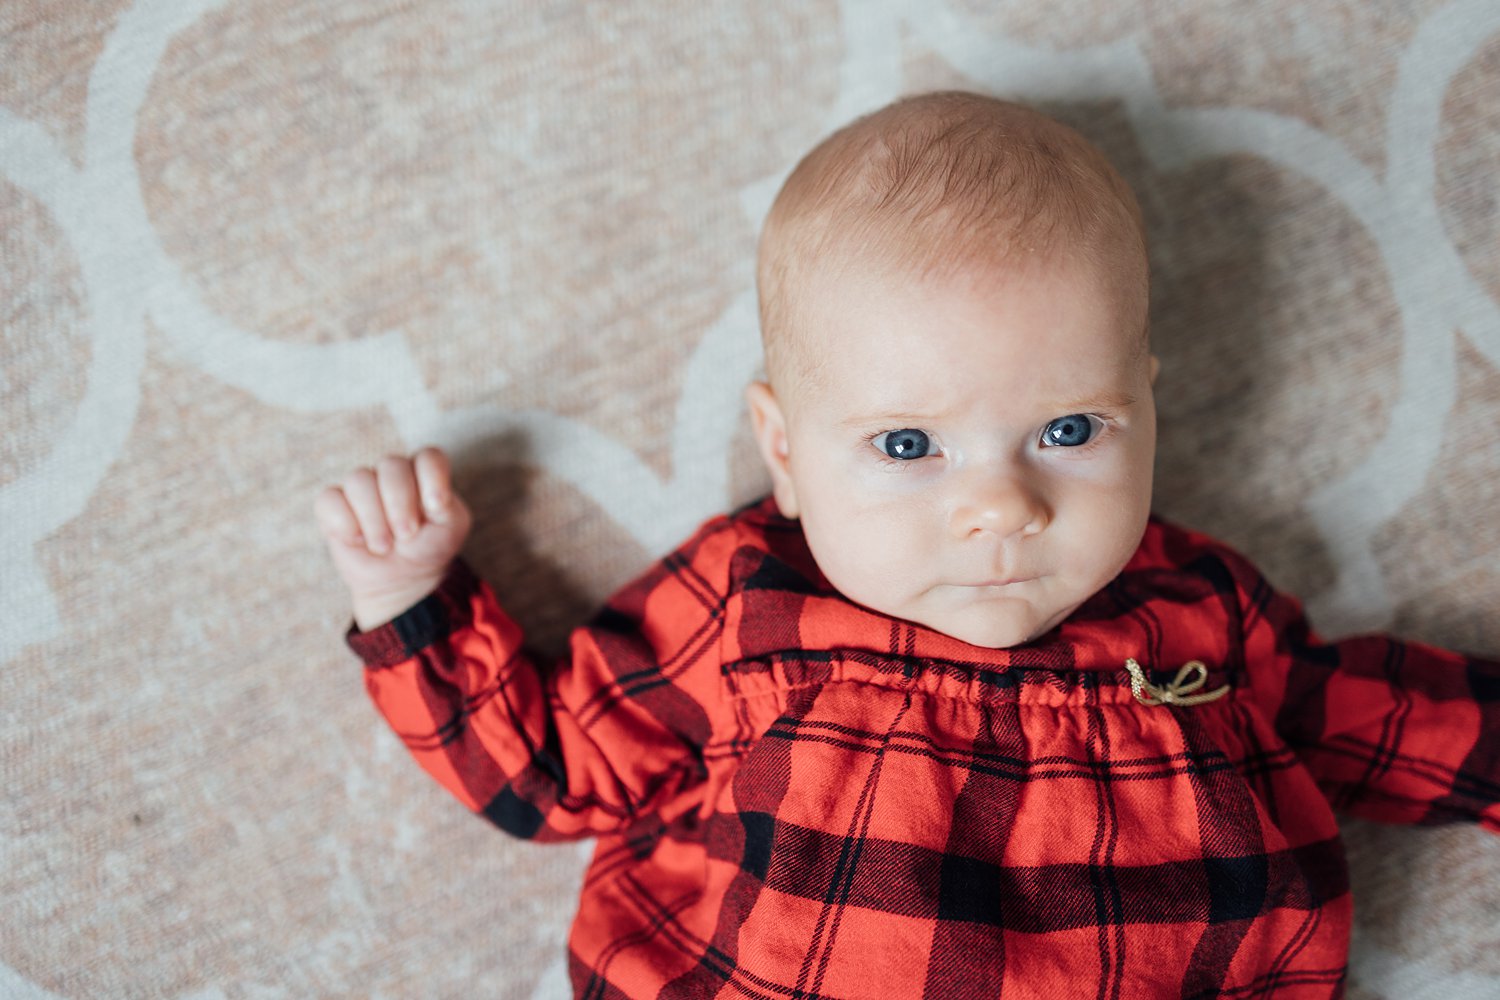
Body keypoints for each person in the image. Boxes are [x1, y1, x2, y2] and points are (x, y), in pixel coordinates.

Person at [314, 92, 1499, 998]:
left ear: (1150, 407)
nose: (1002, 506)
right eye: (905, 447)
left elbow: (1373, 720)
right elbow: (558, 772)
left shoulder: (1199, 612)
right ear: (783, 449)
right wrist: (414, 601)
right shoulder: (750, 599)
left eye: (1070, 429)